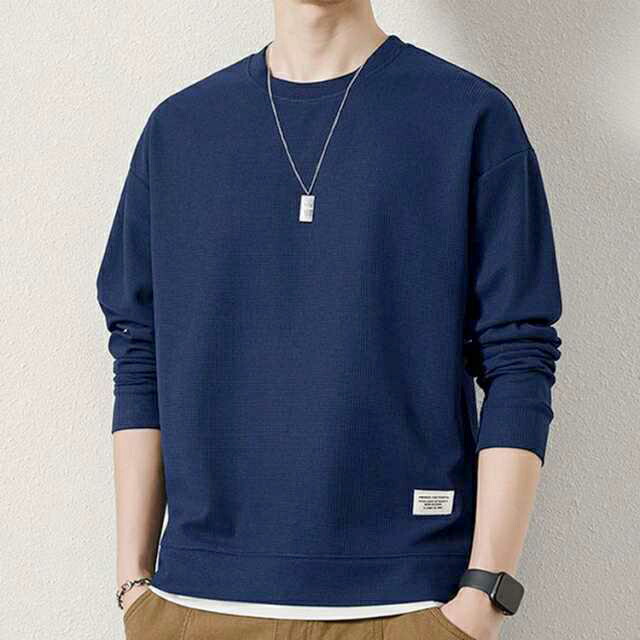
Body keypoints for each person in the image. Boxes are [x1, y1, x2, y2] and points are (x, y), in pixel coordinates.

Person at [97, 1, 562, 639]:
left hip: (408, 607)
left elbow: (519, 356)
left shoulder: (469, 117)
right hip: (196, 607)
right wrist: (133, 586)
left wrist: (484, 595)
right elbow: (138, 349)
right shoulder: (179, 131)